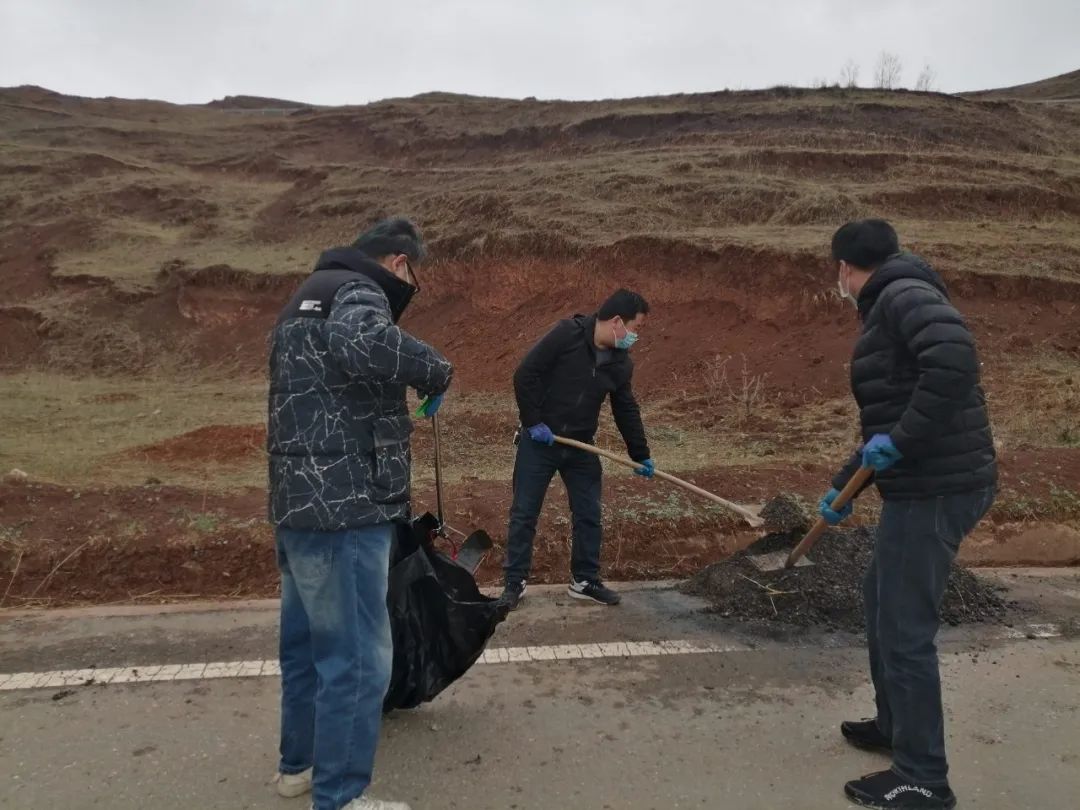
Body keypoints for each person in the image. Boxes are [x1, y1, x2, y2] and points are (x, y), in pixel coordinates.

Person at [267, 218, 452, 810]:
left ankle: (299, 768)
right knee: (357, 659)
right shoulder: (359, 290)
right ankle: (341, 798)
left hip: (298, 504)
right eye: (410, 273)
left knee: (305, 647)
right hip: (347, 507)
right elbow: (366, 343)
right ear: (399, 262)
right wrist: (435, 370)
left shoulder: (306, 294)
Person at [822, 219, 996, 810]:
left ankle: (923, 776)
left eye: (836, 271)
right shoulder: (894, 297)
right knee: (880, 600)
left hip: (936, 490)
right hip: (924, 483)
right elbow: (888, 421)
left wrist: (900, 440)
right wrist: (845, 485)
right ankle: (895, 725)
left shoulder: (902, 294)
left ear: (845, 267)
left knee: (903, 628)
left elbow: (953, 362)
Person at [499, 289, 655, 610]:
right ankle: (514, 582)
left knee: (588, 513)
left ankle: (584, 580)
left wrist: (640, 454)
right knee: (524, 513)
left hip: (581, 445)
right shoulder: (565, 335)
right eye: (634, 328)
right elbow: (524, 375)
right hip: (541, 442)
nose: (635, 336)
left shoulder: (620, 363)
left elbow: (625, 408)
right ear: (616, 323)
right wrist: (533, 422)